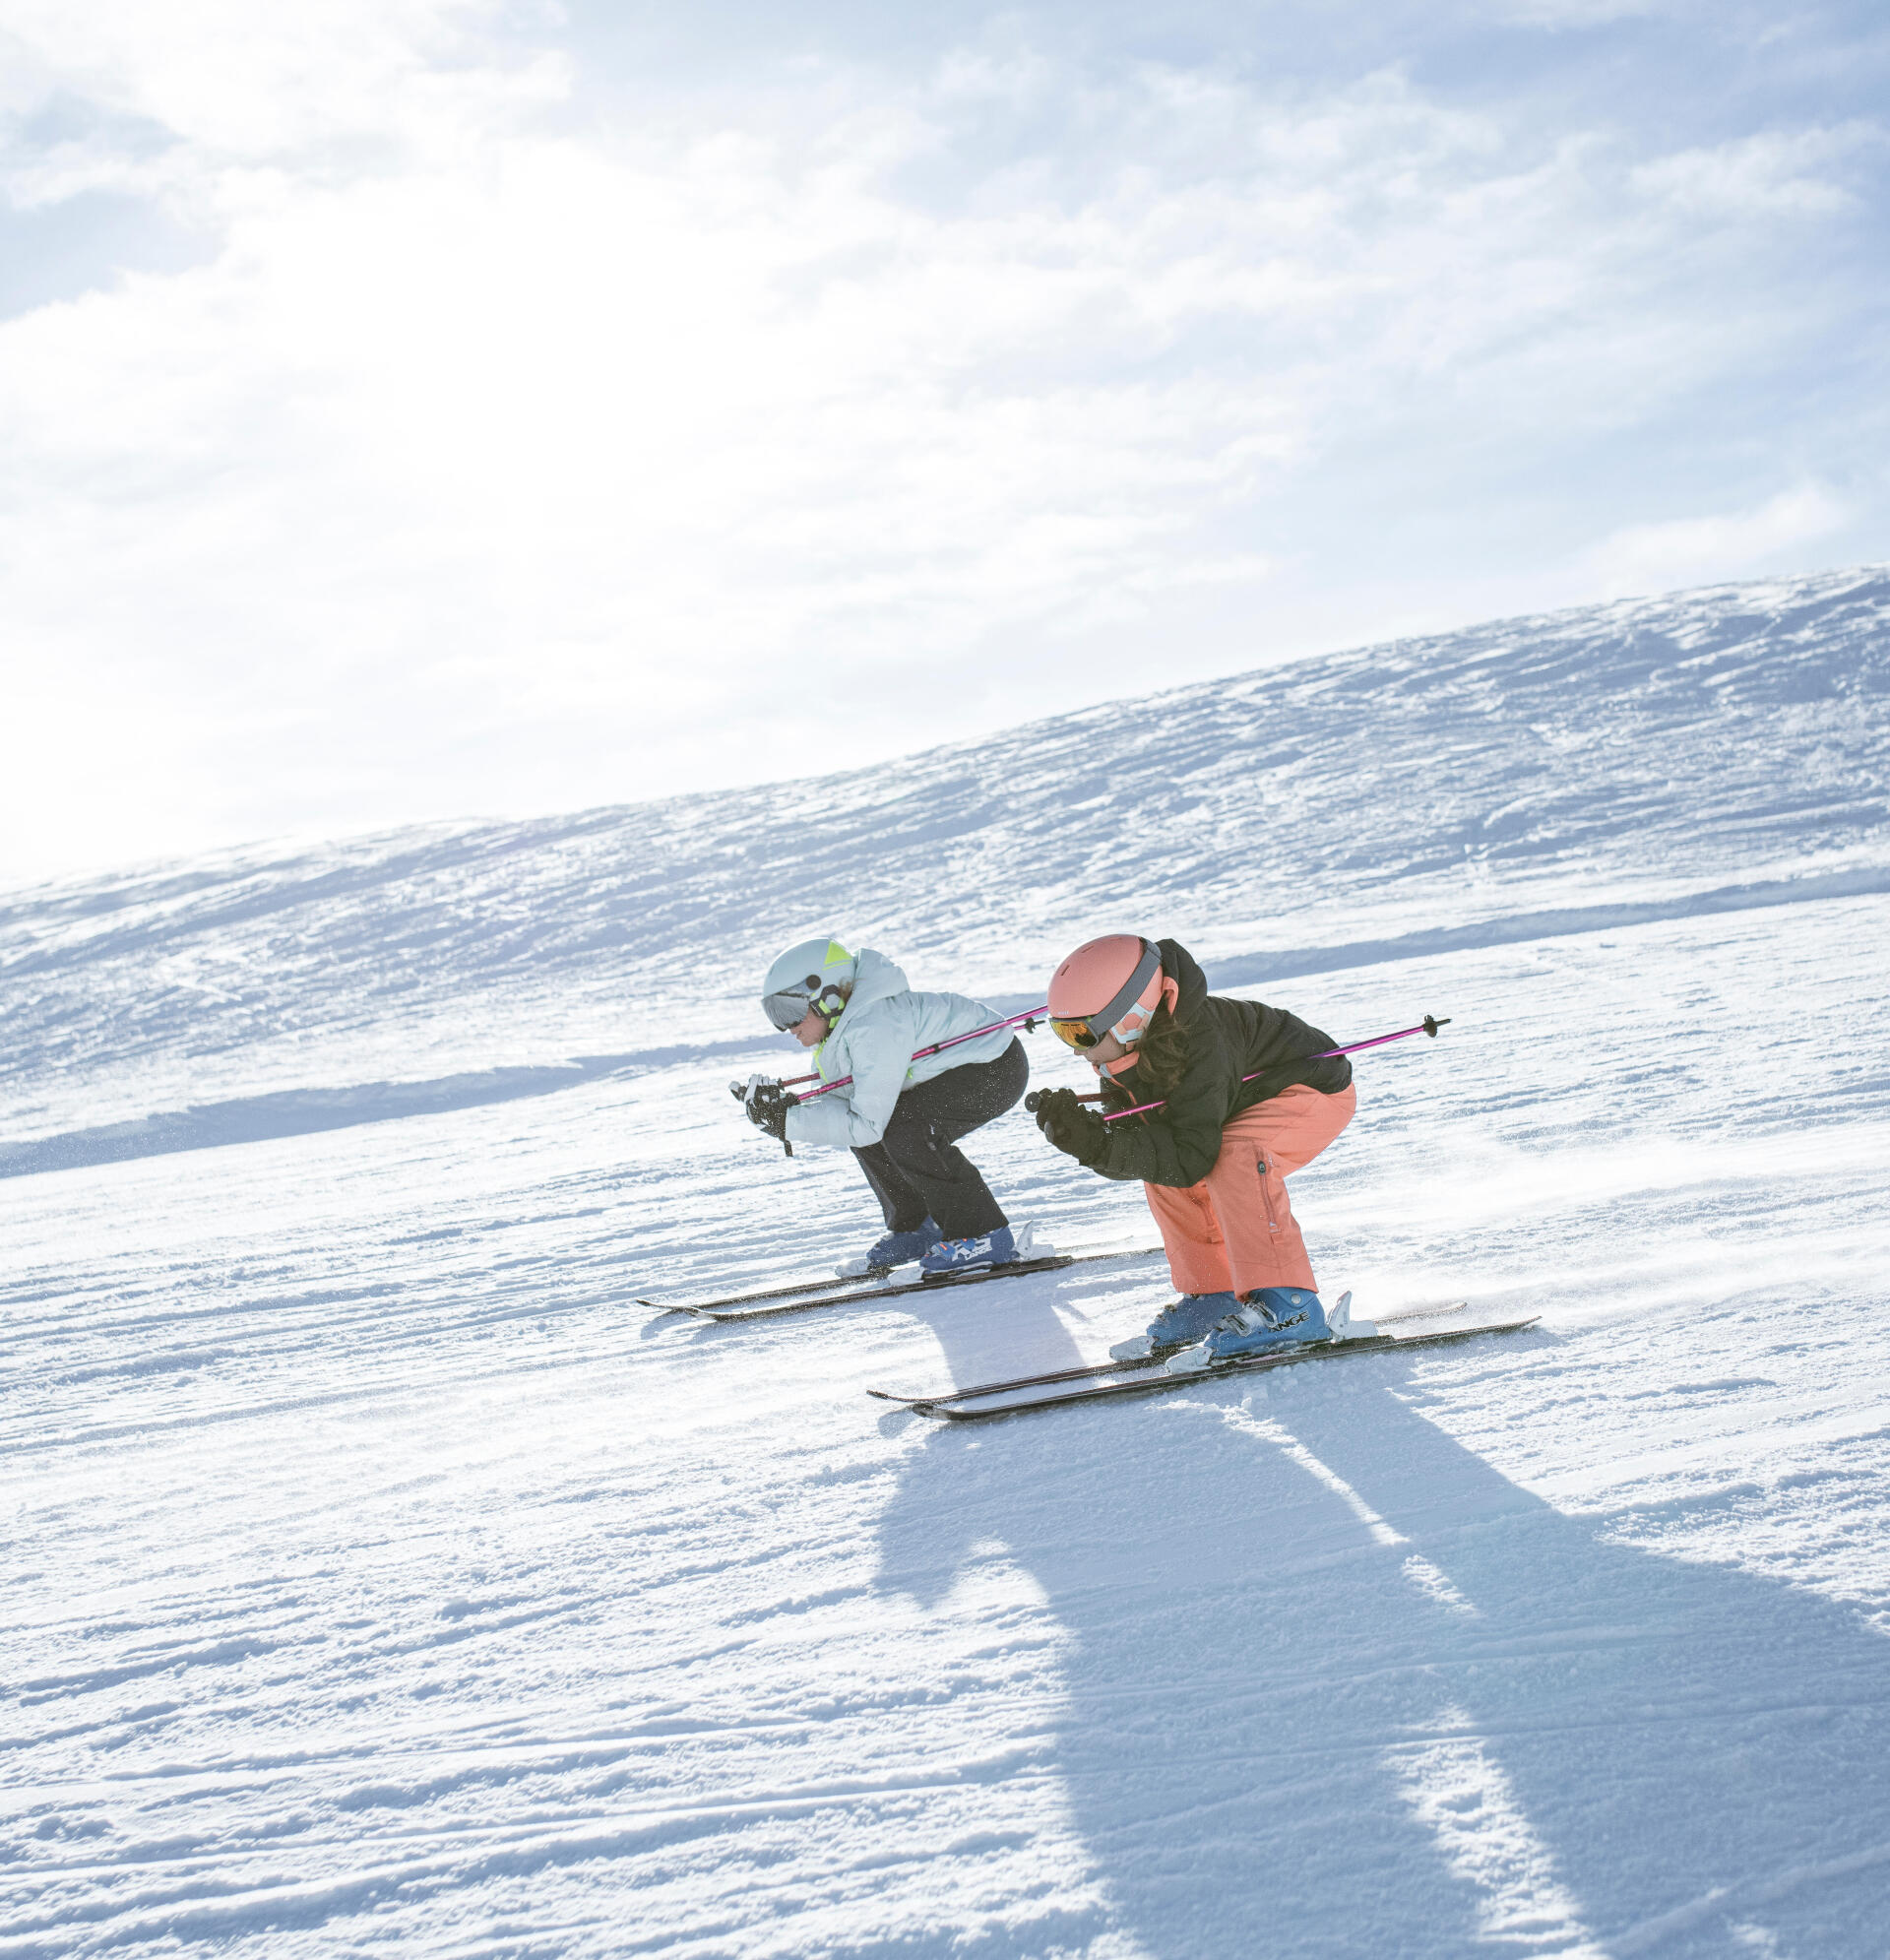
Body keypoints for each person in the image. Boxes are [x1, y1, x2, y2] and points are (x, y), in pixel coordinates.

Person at [1031, 933, 1354, 1370]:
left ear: (1131, 1015)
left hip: (1309, 1093)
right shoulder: (1124, 1050)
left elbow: (1191, 1156)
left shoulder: (1200, 1039)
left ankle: (1289, 1306)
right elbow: (1151, 1149)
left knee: (1233, 1157)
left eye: (1082, 1032)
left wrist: (1098, 1145)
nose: (1074, 1048)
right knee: (1161, 1168)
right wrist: (1088, 1136)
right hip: (1233, 1103)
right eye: (1062, 1031)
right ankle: (1214, 1293)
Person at [739, 936, 1029, 1275]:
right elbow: (846, 1108)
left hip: (993, 1066)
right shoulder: (838, 1033)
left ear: (827, 997)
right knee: (888, 1126)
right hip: (959, 1069)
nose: (787, 1027)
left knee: (909, 1129)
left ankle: (983, 1234)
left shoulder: (872, 1024)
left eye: (789, 1011)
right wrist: (787, 1112)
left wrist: (789, 1123)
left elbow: (864, 1123)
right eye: (775, 1014)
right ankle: (918, 1226)